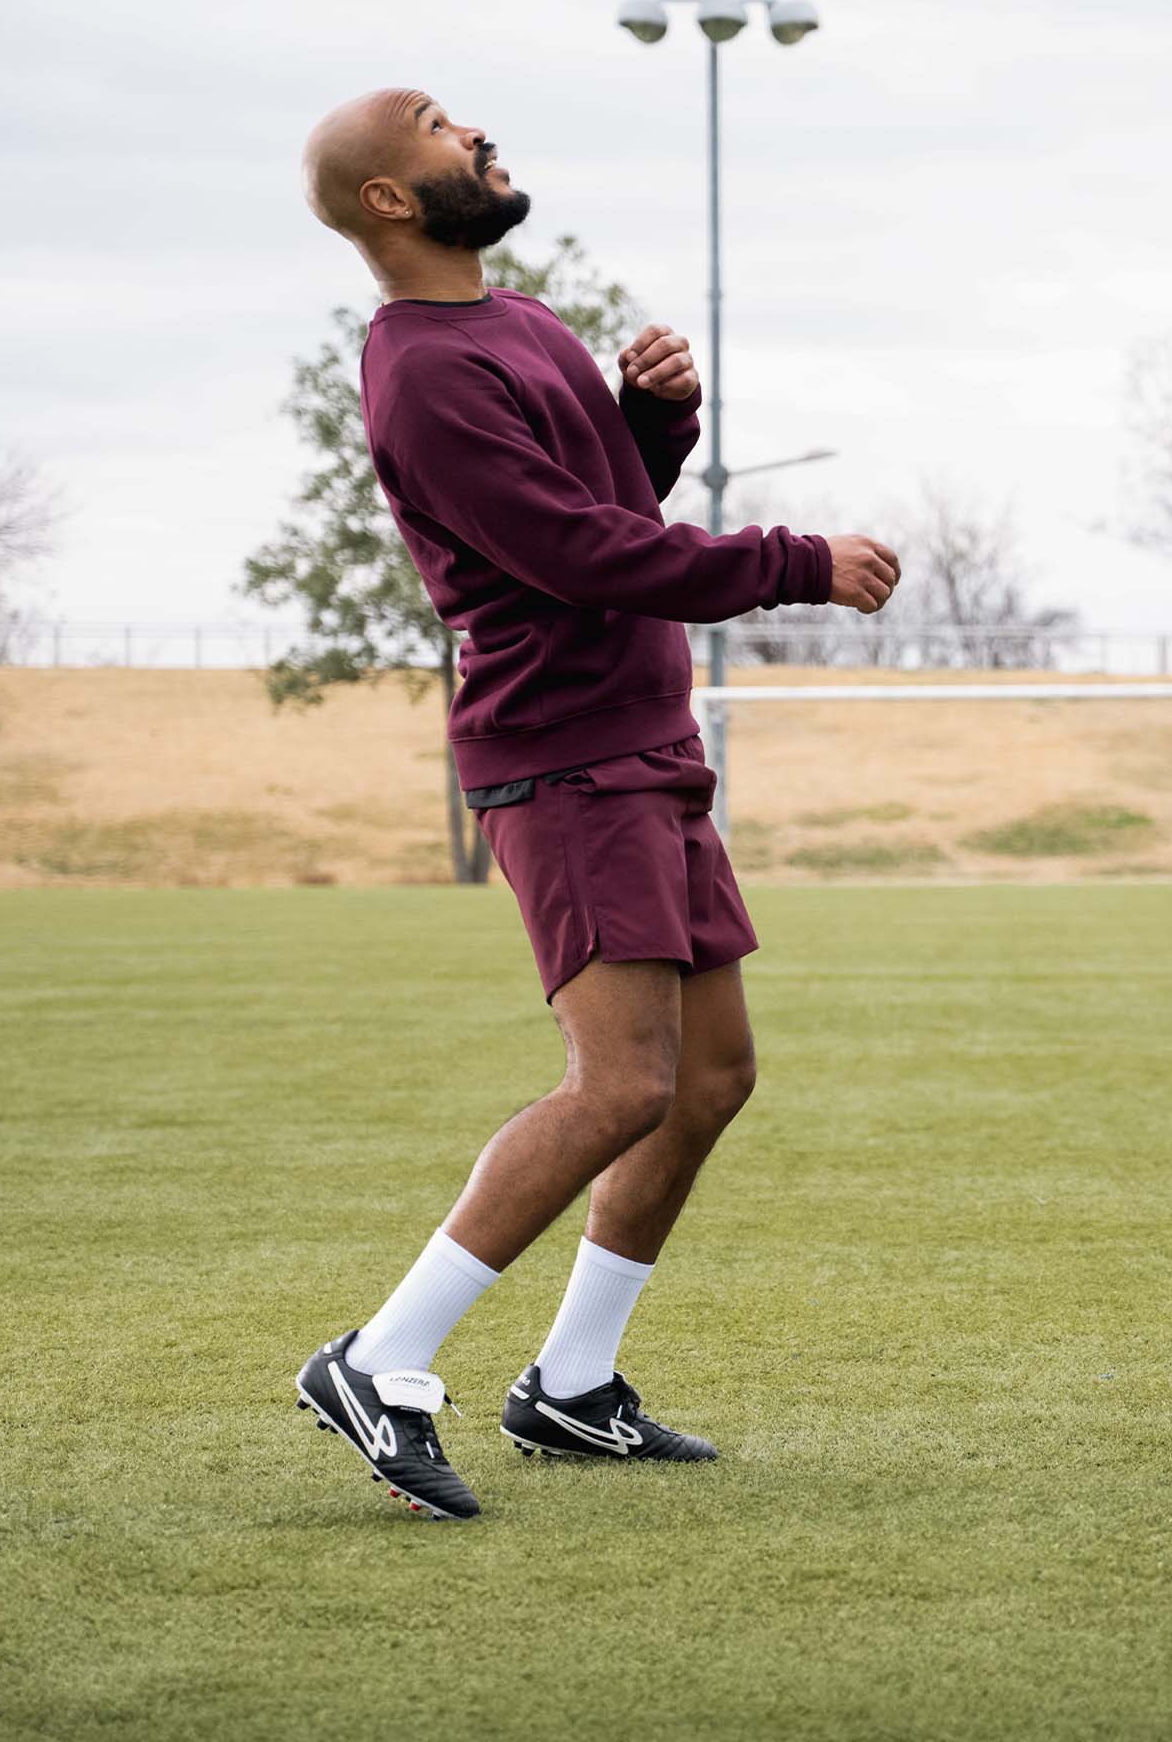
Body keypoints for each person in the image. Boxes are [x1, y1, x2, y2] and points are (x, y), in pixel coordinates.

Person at [291, 86, 901, 1521]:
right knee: (621, 1082)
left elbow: (609, 510)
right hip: (564, 758)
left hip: (642, 741)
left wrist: (651, 420)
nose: (473, 133)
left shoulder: (521, 324)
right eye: (437, 126)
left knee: (709, 1079)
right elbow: (576, 557)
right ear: (390, 198)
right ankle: (378, 1358)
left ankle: (571, 1384)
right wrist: (795, 565)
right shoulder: (420, 373)